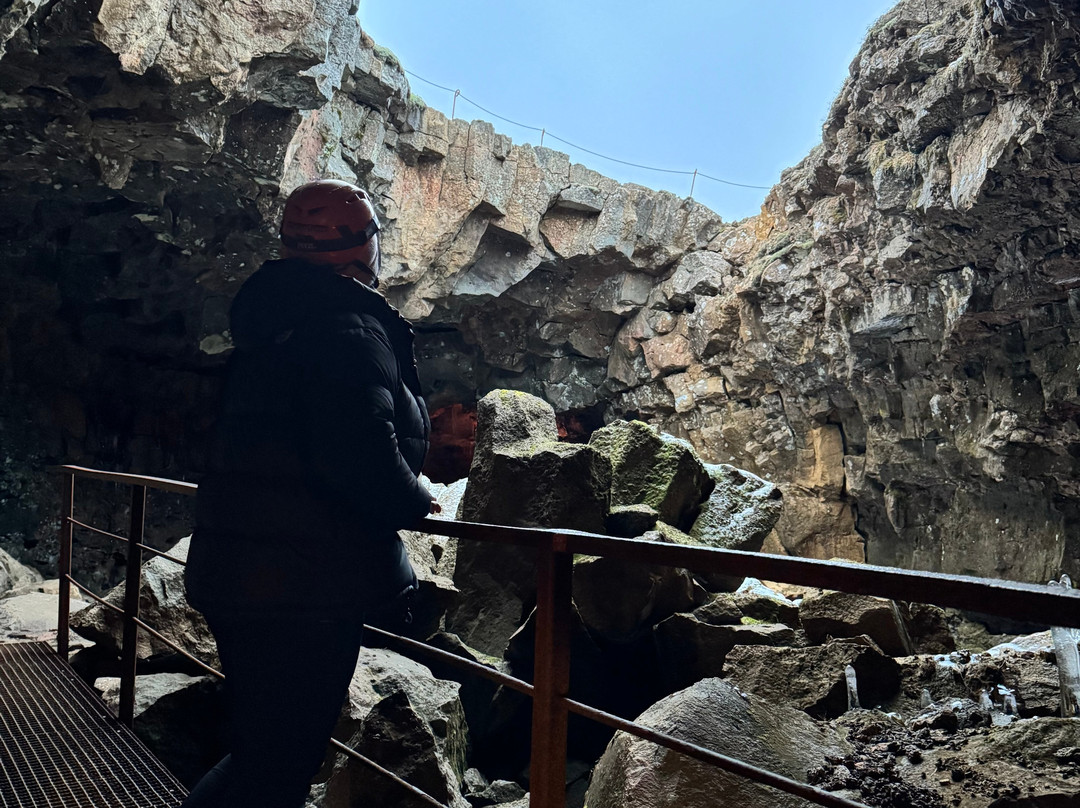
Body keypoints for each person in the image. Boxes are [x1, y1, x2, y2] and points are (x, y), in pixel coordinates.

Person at [182, 179, 441, 808]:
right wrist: (417, 496)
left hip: (243, 570)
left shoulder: (277, 318)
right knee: (276, 765)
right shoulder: (345, 326)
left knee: (263, 752)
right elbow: (358, 455)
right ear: (362, 246)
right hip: (301, 588)